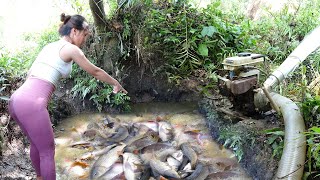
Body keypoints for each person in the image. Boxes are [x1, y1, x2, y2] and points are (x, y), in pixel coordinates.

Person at [8, 13, 127, 180]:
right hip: (31, 103)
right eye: (85, 34)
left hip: (16, 100)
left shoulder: (49, 47)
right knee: (48, 152)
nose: (85, 39)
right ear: (74, 31)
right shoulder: (71, 49)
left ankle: (39, 177)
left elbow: (30, 75)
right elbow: (95, 71)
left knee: (37, 145)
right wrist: (116, 83)